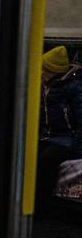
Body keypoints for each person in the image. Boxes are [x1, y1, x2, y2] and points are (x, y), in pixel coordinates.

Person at [37, 45, 82, 212]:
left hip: (67, 138)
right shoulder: (46, 86)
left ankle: (39, 208)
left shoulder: (74, 87)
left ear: (52, 71)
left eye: (43, 69)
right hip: (49, 135)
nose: (40, 72)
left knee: (46, 162)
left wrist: (78, 152)